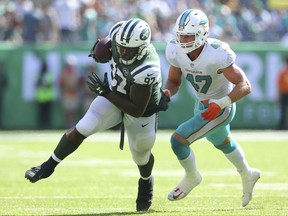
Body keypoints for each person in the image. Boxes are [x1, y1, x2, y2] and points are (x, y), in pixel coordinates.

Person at [25, 18, 170, 212]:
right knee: (84, 126)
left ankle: (146, 183)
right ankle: (47, 166)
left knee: (141, 155)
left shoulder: (148, 68)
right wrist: (100, 48)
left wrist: (106, 92)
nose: (124, 52)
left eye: (130, 49)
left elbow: (136, 109)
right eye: (121, 47)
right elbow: (108, 41)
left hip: (140, 110)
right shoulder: (119, 33)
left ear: (142, 48)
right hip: (113, 95)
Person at [163, 9, 260, 207]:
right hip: (202, 105)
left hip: (221, 107)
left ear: (201, 33)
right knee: (222, 142)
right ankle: (247, 174)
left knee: (178, 141)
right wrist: (166, 92)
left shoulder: (216, 53)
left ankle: (192, 177)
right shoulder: (175, 49)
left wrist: (222, 103)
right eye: (180, 36)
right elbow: (174, 81)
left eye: (188, 36)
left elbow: (245, 85)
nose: (183, 40)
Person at [35, 60, 55, 129]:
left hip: (48, 97)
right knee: (41, 113)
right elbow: (36, 85)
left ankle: (47, 125)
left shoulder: (49, 75)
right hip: (41, 97)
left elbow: (50, 84)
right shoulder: (39, 75)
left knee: (47, 113)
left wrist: (44, 84)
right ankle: (41, 125)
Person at [277, 56, 288, 130]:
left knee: (282, 111)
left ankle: (282, 126)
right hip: (284, 93)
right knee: (282, 111)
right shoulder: (283, 72)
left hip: (284, 93)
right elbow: (280, 85)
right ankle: (282, 126)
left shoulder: (283, 72)